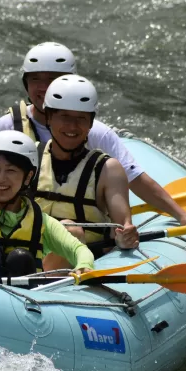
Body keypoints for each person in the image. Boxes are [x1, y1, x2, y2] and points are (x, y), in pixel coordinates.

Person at [0, 42, 186, 226]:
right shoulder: (7, 126)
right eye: (35, 79)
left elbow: (136, 179)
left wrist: (180, 215)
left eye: (52, 79)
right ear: (25, 83)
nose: (43, 88)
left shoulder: (93, 131)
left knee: (70, 229)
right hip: (25, 230)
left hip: (81, 235)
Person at [31, 75, 140, 269]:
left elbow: (123, 226)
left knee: (68, 229)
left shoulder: (108, 170)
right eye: (64, 116)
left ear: (90, 123)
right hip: (27, 255)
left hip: (80, 263)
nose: (72, 127)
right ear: (49, 117)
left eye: (80, 118)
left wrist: (125, 237)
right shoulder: (28, 157)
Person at [0, 130, 95, 277]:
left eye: (10, 170)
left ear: (28, 177)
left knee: (20, 258)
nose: (0, 178)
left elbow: (79, 249)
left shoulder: (40, 222)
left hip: (26, 295)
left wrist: (84, 265)